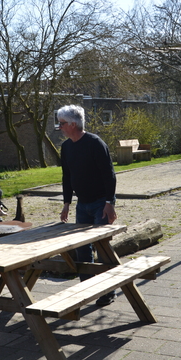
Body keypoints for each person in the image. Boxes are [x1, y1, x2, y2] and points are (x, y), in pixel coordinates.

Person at [58, 104, 118, 306]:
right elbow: (67, 176)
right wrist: (66, 203)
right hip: (82, 204)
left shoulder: (95, 143)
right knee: (83, 249)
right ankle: (88, 290)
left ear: (73, 124)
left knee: (102, 249)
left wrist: (110, 203)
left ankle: (108, 291)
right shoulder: (66, 147)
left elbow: (109, 175)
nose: (60, 127)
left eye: (62, 124)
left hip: (101, 202)